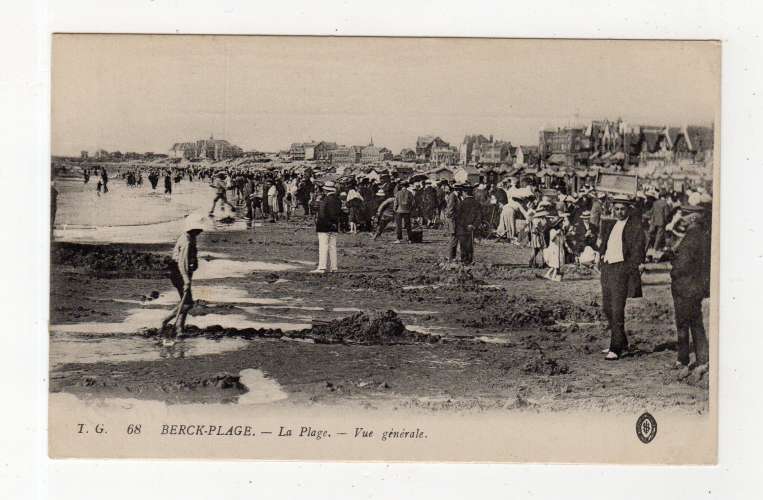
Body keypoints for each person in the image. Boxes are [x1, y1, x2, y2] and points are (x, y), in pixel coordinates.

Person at [598, 195, 646, 360]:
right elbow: (605, 245)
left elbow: (638, 251)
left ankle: (616, 348)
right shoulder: (611, 225)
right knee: (607, 307)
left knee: (617, 309)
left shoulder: (635, 227)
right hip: (608, 269)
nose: (619, 212)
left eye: (622, 209)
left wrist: (628, 269)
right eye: (616, 209)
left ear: (628, 209)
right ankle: (621, 342)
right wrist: (602, 258)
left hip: (621, 270)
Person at [668, 203, 710, 377]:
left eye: (684, 215)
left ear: (692, 217)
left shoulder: (692, 236)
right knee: (692, 322)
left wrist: (674, 271)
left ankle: (696, 360)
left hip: (686, 285)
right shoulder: (698, 234)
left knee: (687, 323)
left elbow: (683, 264)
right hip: (694, 285)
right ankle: (690, 358)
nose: (681, 218)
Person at [160, 215, 205, 338]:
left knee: (184, 300)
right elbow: (182, 262)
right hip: (178, 272)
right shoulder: (186, 241)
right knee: (187, 304)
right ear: (193, 229)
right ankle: (165, 320)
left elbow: (192, 256)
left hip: (182, 271)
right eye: (199, 230)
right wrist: (186, 280)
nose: (201, 232)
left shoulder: (190, 237)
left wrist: (195, 263)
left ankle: (180, 327)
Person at [312, 181, 341, 273]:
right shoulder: (338, 200)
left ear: (325, 190)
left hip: (324, 226)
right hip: (334, 225)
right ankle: (334, 267)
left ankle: (322, 267)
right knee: (333, 247)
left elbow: (322, 214)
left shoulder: (325, 200)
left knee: (323, 247)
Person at [453, 183, 482, 265]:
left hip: (462, 228)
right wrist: (473, 225)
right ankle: (469, 260)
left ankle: (464, 260)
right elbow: (479, 216)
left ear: (465, 193)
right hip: (472, 228)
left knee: (463, 245)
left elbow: (458, 217)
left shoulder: (462, 203)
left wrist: (465, 225)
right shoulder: (477, 203)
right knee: (470, 244)